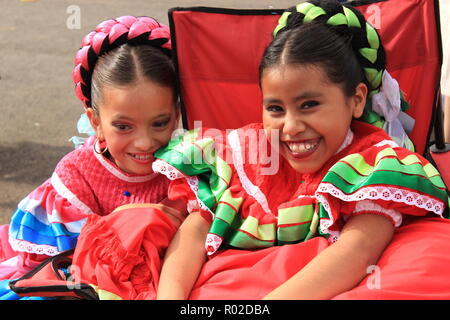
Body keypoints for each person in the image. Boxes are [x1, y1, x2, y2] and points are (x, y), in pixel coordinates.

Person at [153, 0, 450, 300]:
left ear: (357, 100)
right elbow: (194, 232)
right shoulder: (245, 154)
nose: (291, 126)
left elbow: (356, 252)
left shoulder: (374, 164)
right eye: (275, 108)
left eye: (309, 105)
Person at [0, 16, 184, 298]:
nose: (145, 142)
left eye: (160, 123)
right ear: (95, 121)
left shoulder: (189, 162)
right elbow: (62, 272)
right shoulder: (78, 177)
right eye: (123, 126)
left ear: (178, 114)